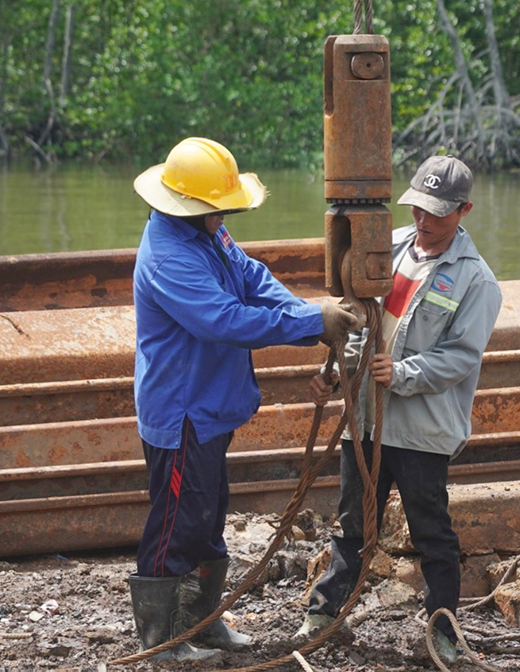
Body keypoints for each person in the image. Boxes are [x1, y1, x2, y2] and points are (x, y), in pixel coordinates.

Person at [129, 137, 361, 661]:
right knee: (177, 523)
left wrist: (308, 315)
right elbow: (225, 319)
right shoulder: (170, 256)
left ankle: (203, 622)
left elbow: (250, 278)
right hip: (183, 409)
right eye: (219, 210)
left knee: (207, 516)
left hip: (209, 406)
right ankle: (162, 642)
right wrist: (310, 321)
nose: (225, 217)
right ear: (190, 206)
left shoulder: (206, 232)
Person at [297, 155, 502, 666]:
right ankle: (323, 614)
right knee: (352, 525)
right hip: (365, 420)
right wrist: (332, 374)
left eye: (436, 212)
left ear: (464, 211)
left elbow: (460, 357)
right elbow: (359, 327)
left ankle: (443, 631)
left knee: (431, 530)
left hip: (420, 432)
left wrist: (405, 375)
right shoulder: (385, 255)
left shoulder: (476, 281)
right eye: (418, 208)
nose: (423, 220)